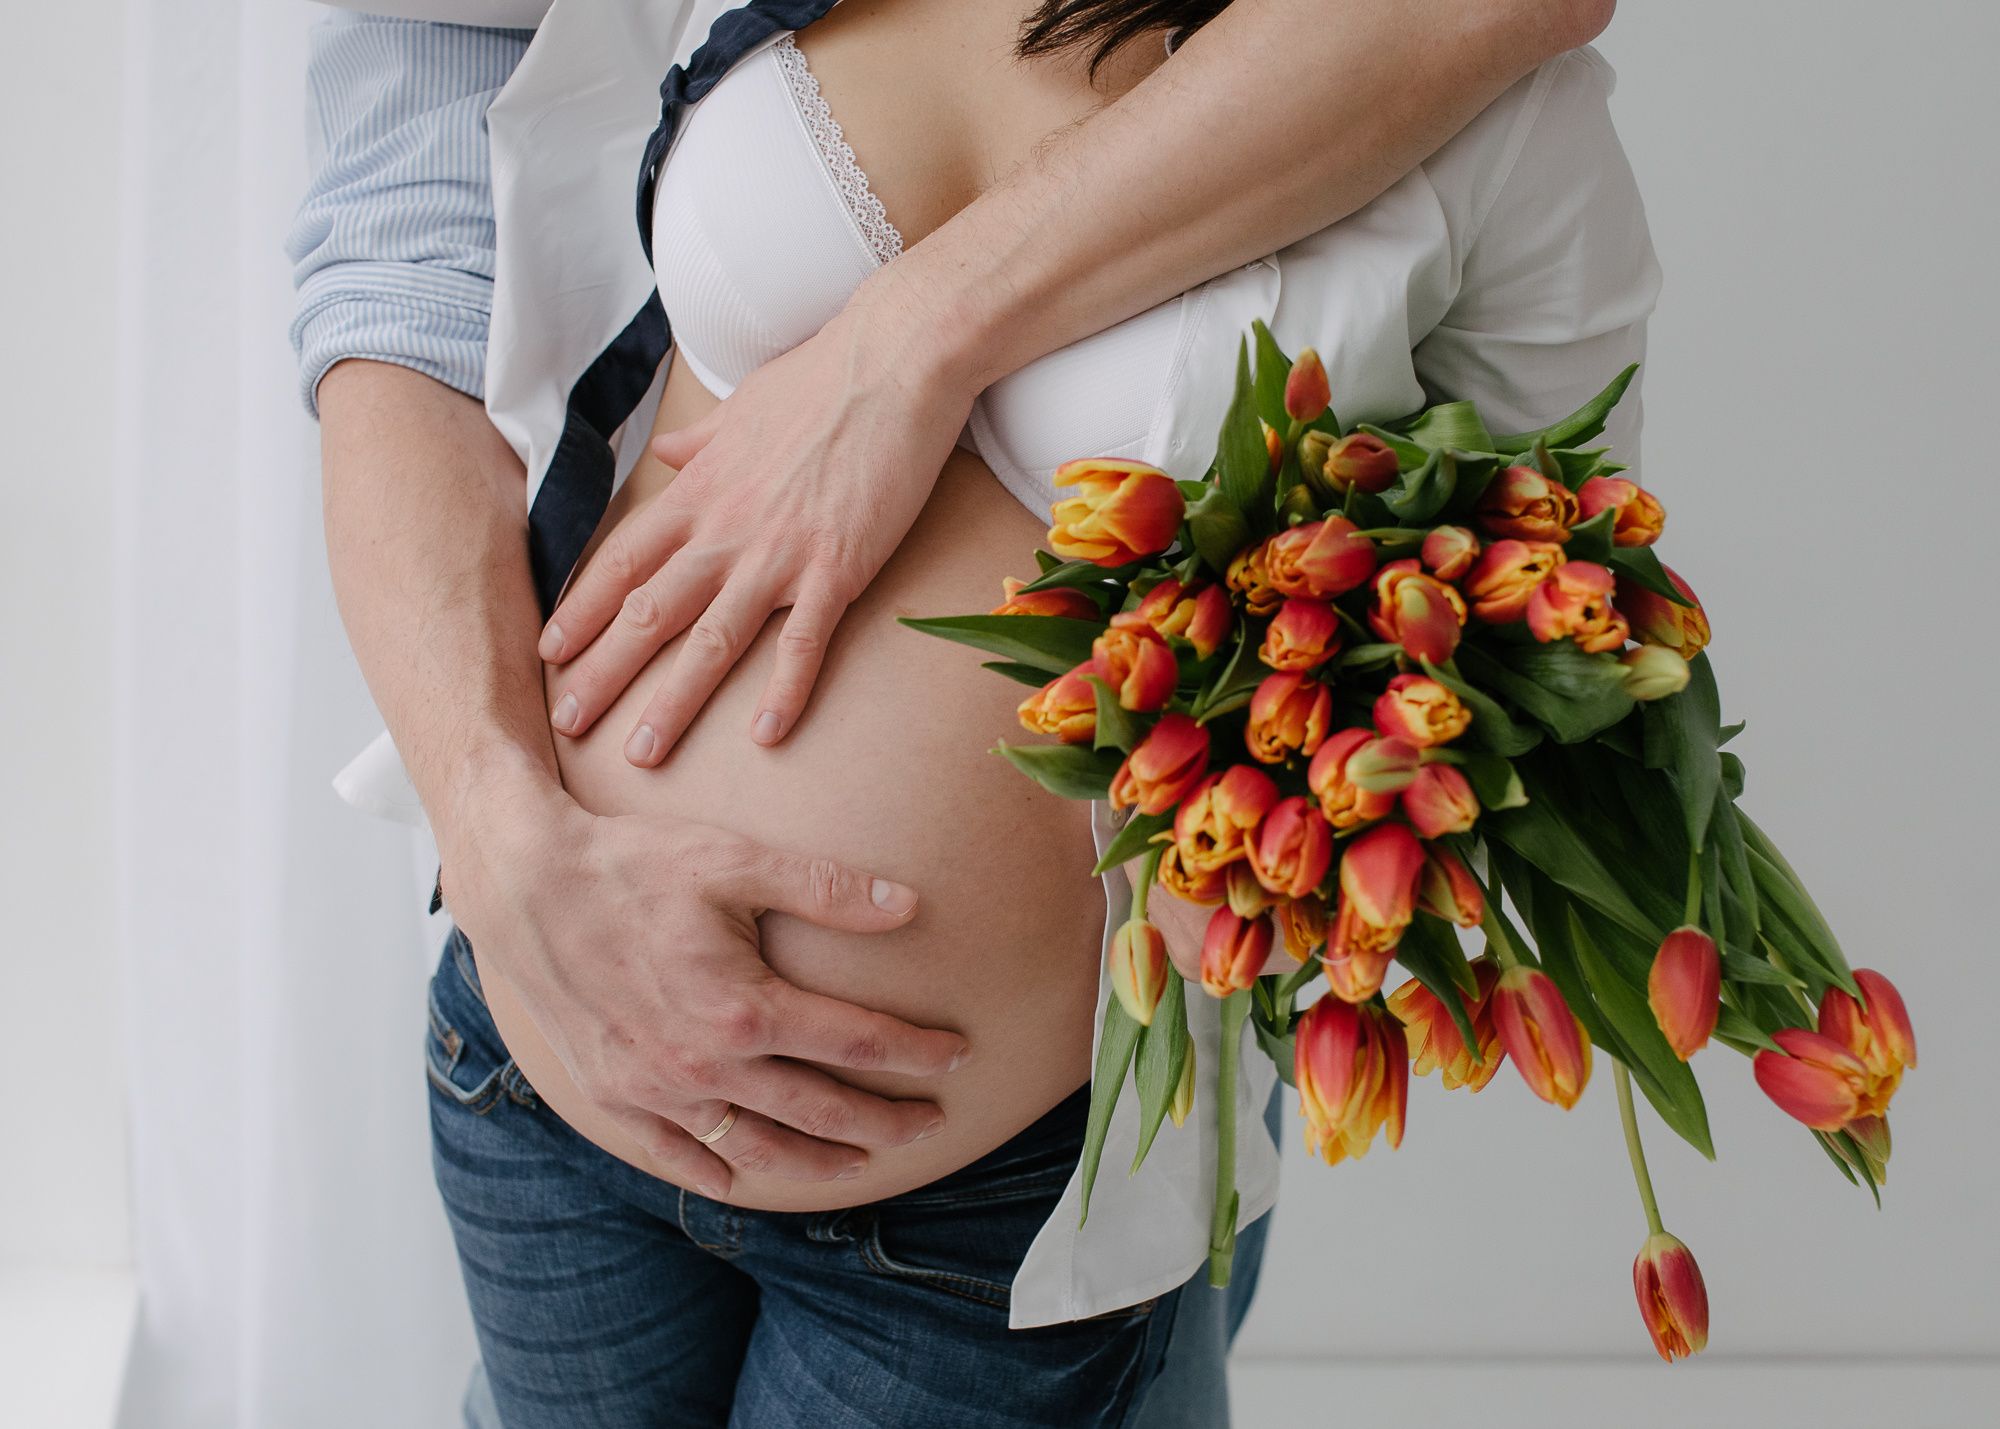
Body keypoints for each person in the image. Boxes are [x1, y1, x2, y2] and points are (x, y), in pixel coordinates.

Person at [294, 0, 1641, 1423]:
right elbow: (423, 225)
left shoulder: (1483, 107)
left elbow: (1557, 613)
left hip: (985, 1226)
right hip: (548, 1074)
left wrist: (1295, 816)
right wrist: (496, 826)